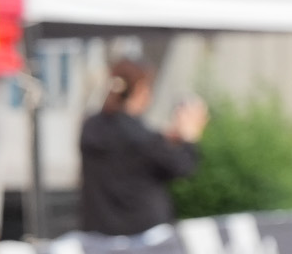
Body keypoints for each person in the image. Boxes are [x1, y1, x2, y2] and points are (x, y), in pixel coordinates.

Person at [76, 57, 204, 236]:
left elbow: (127, 148)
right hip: (143, 236)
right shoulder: (141, 137)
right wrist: (189, 136)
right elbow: (181, 166)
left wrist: (166, 138)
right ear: (140, 89)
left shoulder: (91, 127)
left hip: (99, 234)